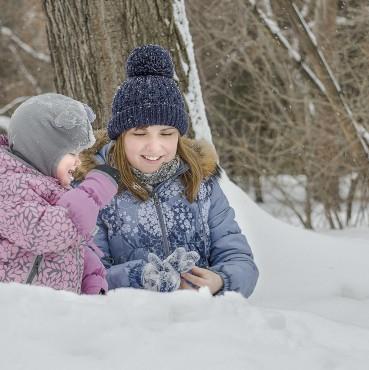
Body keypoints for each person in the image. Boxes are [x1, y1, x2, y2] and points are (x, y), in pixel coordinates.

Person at [76, 45, 259, 298]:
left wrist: (220, 280)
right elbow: (85, 277)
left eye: (167, 133)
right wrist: (139, 277)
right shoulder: (93, 190)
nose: (154, 146)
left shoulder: (202, 183)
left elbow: (240, 261)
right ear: (120, 137)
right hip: (128, 325)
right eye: (140, 133)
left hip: (203, 321)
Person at [0, 93, 120, 294]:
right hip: (15, 313)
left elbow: (71, 244)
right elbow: (44, 233)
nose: (78, 162)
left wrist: (91, 277)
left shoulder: (49, 186)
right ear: (42, 150)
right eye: (72, 153)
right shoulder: (8, 185)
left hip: (50, 312)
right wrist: (92, 194)